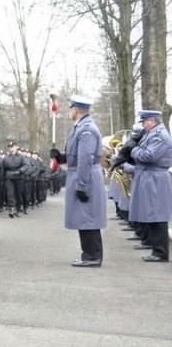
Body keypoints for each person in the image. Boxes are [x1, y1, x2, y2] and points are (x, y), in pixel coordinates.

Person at [51, 96, 106, 266]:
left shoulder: (86, 129)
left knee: (88, 216)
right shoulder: (81, 127)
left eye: (70, 109)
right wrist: (61, 157)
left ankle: (93, 256)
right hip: (81, 174)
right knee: (84, 217)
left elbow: (85, 159)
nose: (69, 112)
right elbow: (76, 154)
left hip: (85, 176)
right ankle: (89, 254)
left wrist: (81, 184)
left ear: (76, 109)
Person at [126, 110, 172, 262]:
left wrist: (132, 149)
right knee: (152, 214)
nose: (143, 124)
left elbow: (148, 156)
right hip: (150, 177)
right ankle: (156, 250)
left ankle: (160, 252)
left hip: (155, 178)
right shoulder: (152, 134)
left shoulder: (158, 135)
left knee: (157, 215)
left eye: (144, 121)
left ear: (152, 120)